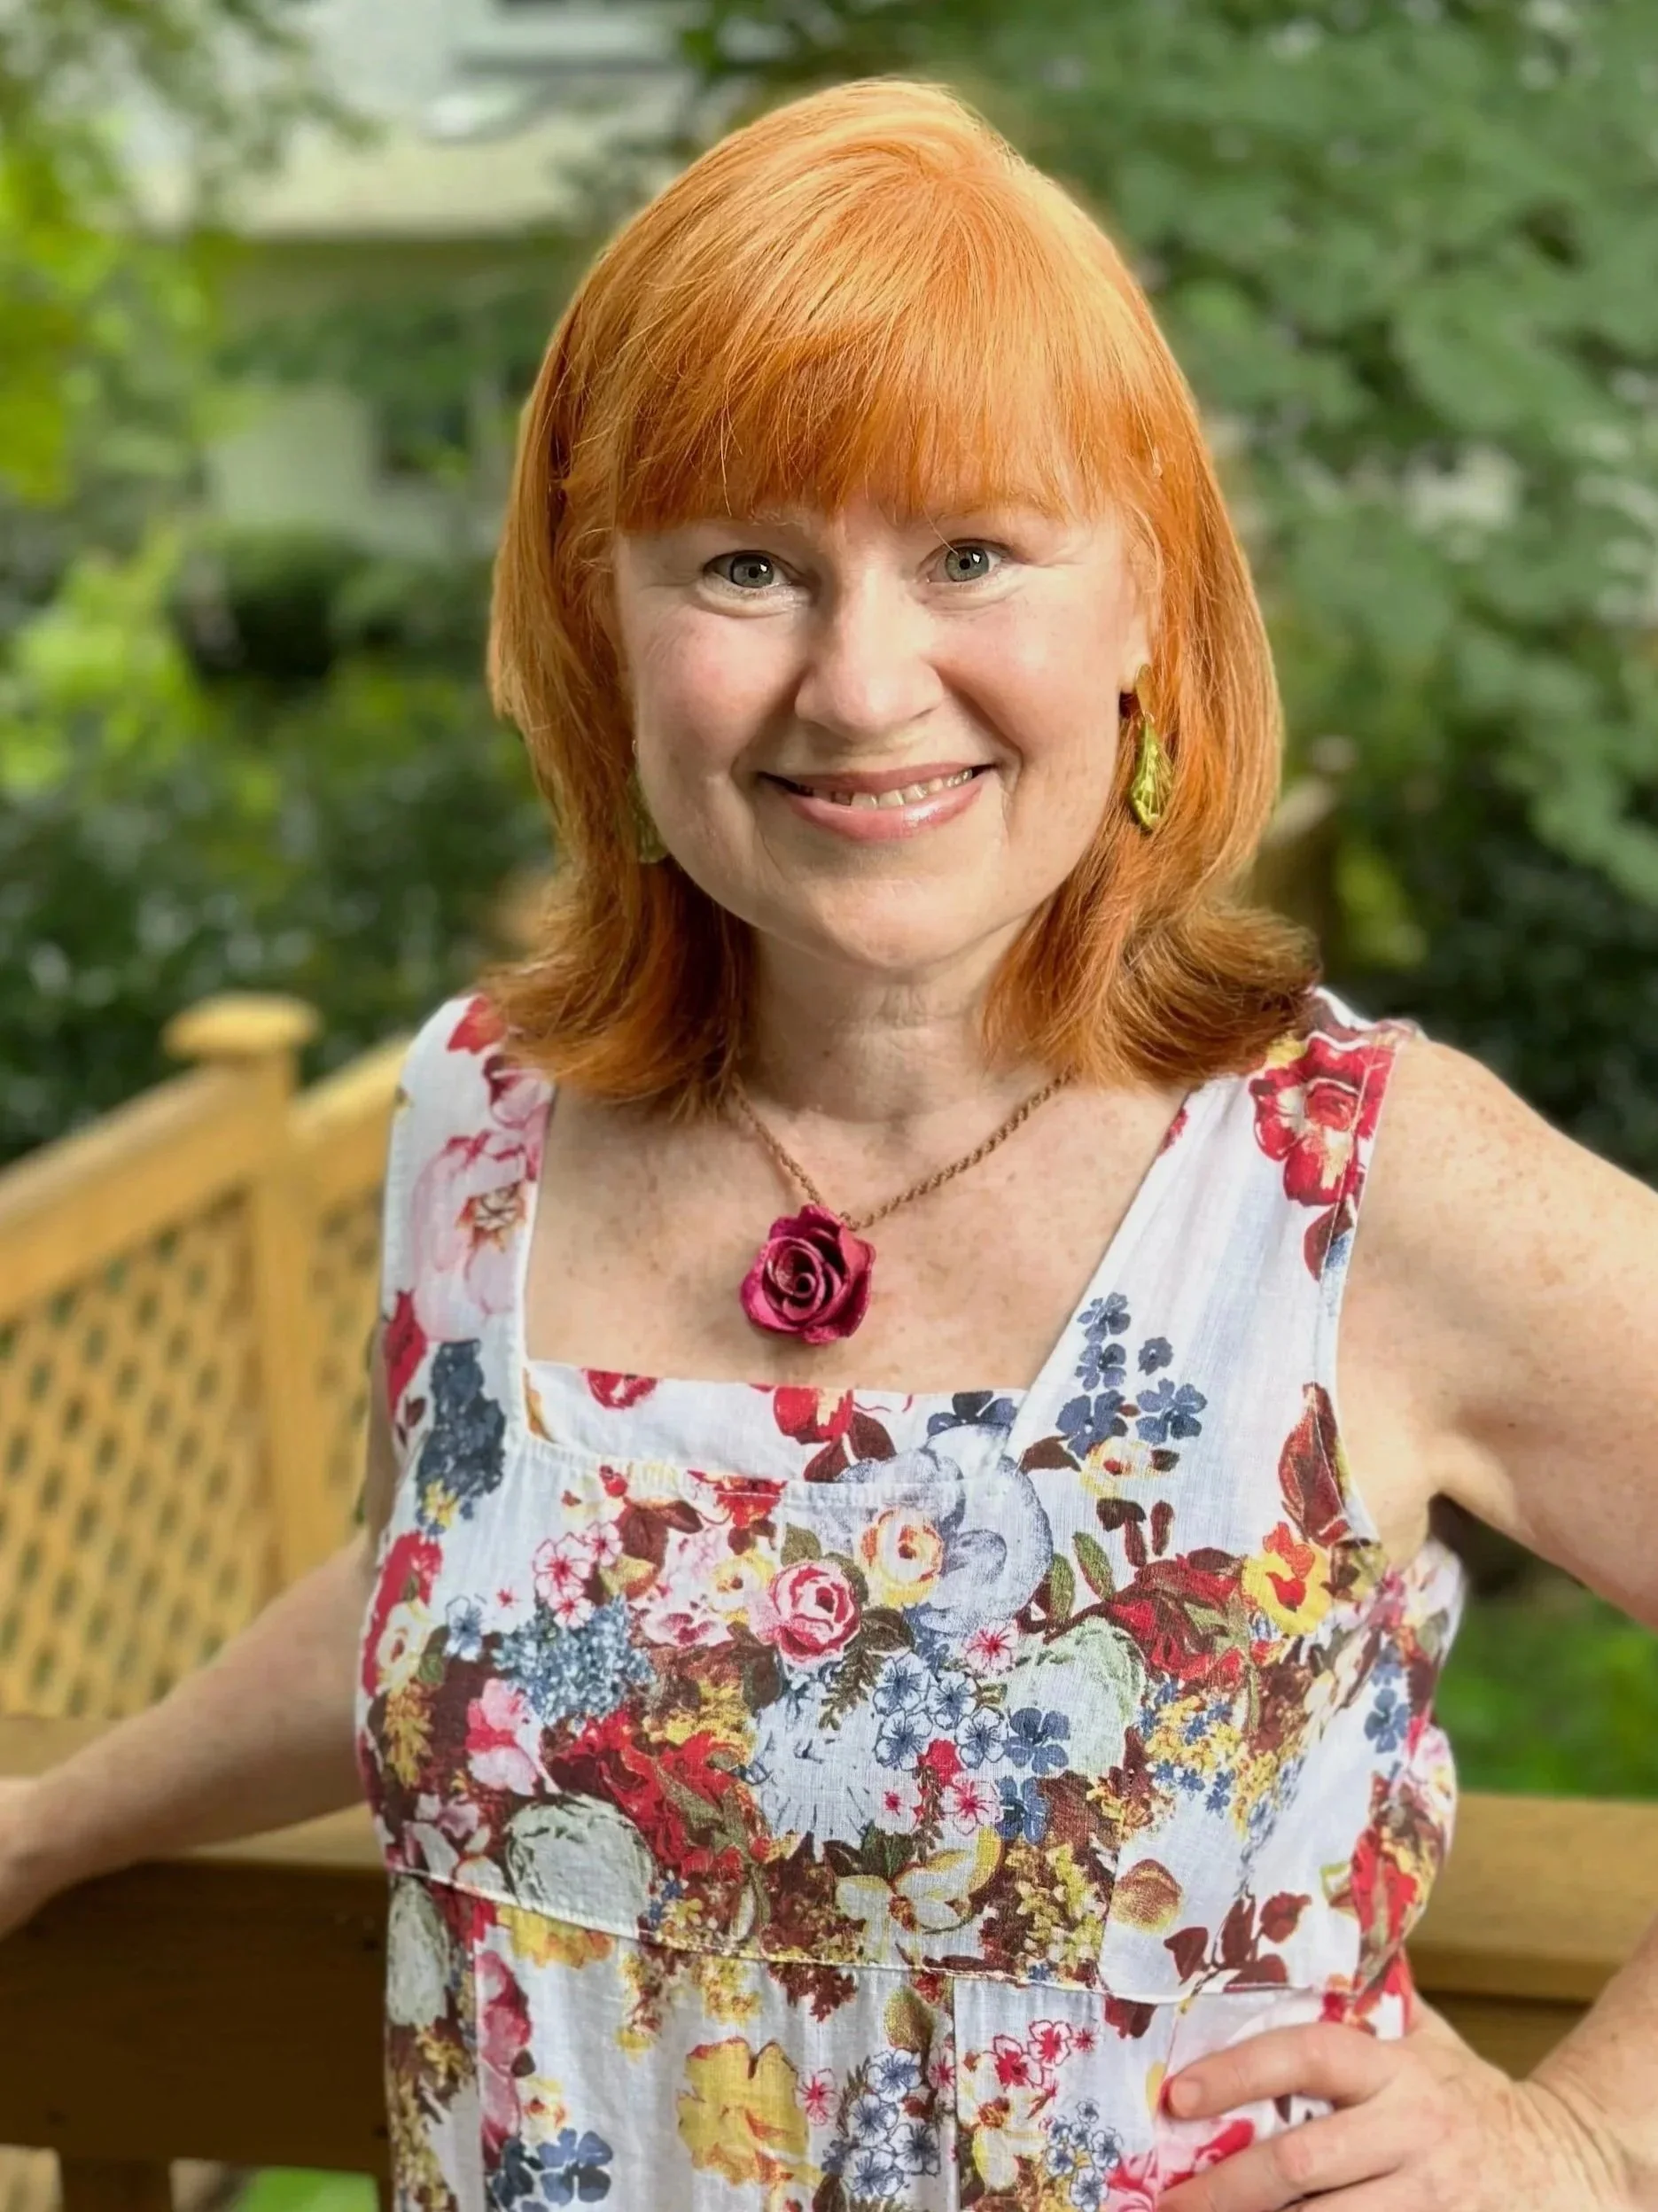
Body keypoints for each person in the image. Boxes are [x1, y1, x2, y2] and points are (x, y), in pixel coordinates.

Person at [3, 73, 1655, 2212]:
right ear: (603, 618)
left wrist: (1590, 2139)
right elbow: (496, 1591)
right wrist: (57, 1818)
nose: (863, 685)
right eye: (748, 568)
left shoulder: (1352, 1187)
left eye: (971, 552)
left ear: (1143, 604)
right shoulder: (481, 1122)